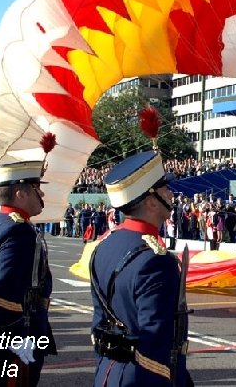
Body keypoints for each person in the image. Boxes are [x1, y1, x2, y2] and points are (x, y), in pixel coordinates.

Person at [90, 151, 190, 386]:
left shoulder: (102, 248)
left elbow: (98, 325)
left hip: (107, 373)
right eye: (165, 189)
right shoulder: (156, 261)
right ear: (152, 201)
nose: (171, 194)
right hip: (142, 378)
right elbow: (154, 343)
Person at [0, 160, 56, 386]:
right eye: (37, 188)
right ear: (20, 193)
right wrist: (15, 335)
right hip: (14, 331)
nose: (42, 193)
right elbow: (5, 289)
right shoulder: (18, 231)